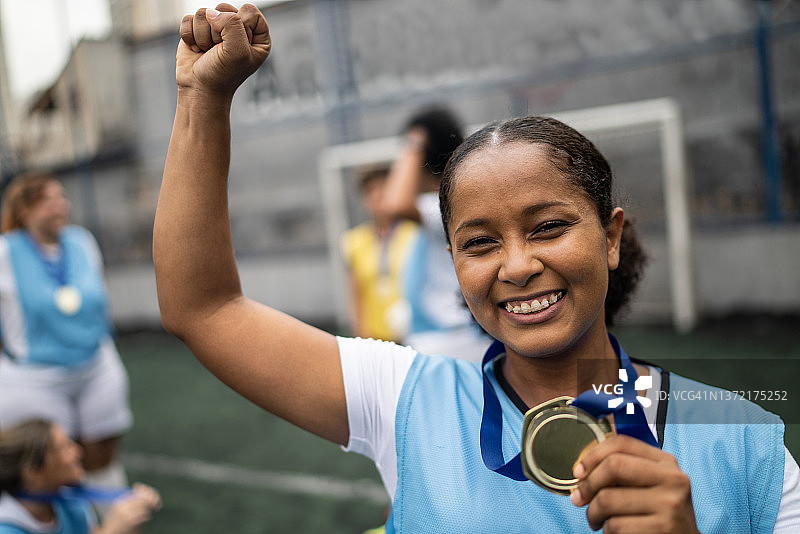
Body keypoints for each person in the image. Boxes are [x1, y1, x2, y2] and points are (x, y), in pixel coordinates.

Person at [153, 5, 800, 532]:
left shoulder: (748, 445)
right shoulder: (402, 400)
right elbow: (203, 308)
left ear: (611, 236)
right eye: (480, 243)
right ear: (452, 258)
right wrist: (201, 98)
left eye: (548, 227)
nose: (516, 266)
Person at [0, 174, 132, 492]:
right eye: (48, 200)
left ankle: (113, 515)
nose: (60, 206)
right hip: (35, 376)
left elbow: (101, 293)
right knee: (50, 466)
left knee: (102, 455)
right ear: (24, 210)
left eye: (62, 198)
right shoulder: (6, 251)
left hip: (95, 365)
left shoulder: (81, 240)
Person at [378, 106, 490, 361]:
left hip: (453, 339)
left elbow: (393, 205)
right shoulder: (437, 207)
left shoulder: (446, 207)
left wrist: (413, 142)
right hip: (447, 337)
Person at [0, 419, 160, 533]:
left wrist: (131, 520)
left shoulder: (70, 503)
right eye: (64, 448)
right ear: (33, 472)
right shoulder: (6, 527)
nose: (78, 451)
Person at [341, 165, 420, 342]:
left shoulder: (415, 233)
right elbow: (355, 296)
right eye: (371, 191)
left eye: (383, 188)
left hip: (415, 333)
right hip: (377, 338)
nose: (378, 196)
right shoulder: (353, 241)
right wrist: (362, 339)